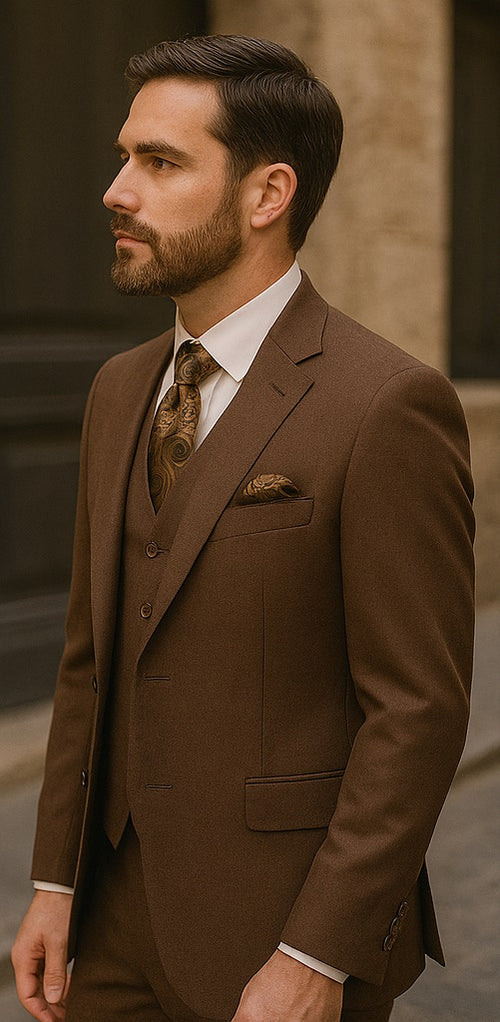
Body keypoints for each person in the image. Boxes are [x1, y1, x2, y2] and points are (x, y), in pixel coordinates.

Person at [12, 34, 475, 1022]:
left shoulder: (385, 402)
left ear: (266, 195)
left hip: (277, 932)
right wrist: (55, 879)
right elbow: (88, 663)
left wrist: (318, 951)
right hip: (108, 926)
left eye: (159, 162)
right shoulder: (116, 387)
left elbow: (414, 711)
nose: (115, 190)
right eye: (124, 155)